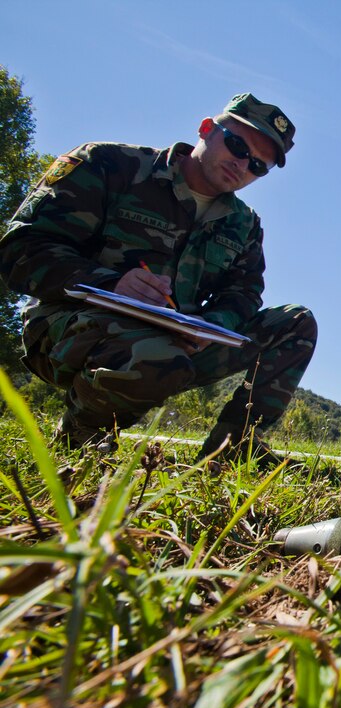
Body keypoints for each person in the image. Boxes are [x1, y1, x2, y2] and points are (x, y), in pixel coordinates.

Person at [0, 93, 317, 464]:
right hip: (69, 328)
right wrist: (110, 282)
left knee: (296, 323)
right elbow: (19, 249)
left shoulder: (243, 224)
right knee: (156, 354)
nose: (242, 164)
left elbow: (244, 294)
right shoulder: (109, 165)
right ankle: (82, 436)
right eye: (237, 145)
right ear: (205, 129)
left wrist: (211, 325)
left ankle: (233, 446)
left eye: (258, 166)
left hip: (178, 345)